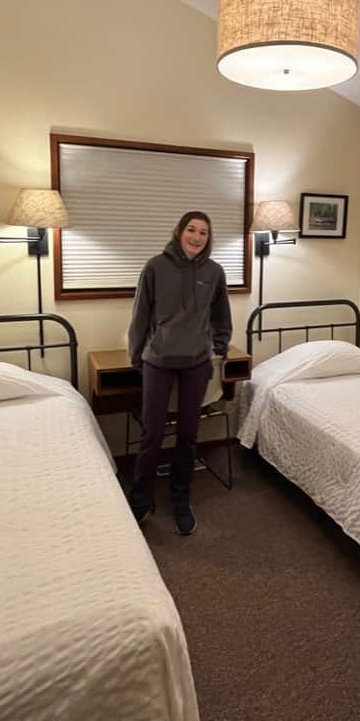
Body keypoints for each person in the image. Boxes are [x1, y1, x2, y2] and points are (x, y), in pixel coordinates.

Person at [127, 211, 233, 534]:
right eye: (191, 230)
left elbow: (221, 314)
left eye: (203, 232)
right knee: (152, 435)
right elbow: (140, 315)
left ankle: (180, 496)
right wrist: (137, 357)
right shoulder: (156, 266)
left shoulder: (214, 272)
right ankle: (140, 501)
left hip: (197, 364)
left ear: (208, 238)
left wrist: (219, 345)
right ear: (179, 231)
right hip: (158, 361)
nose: (197, 237)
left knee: (188, 436)